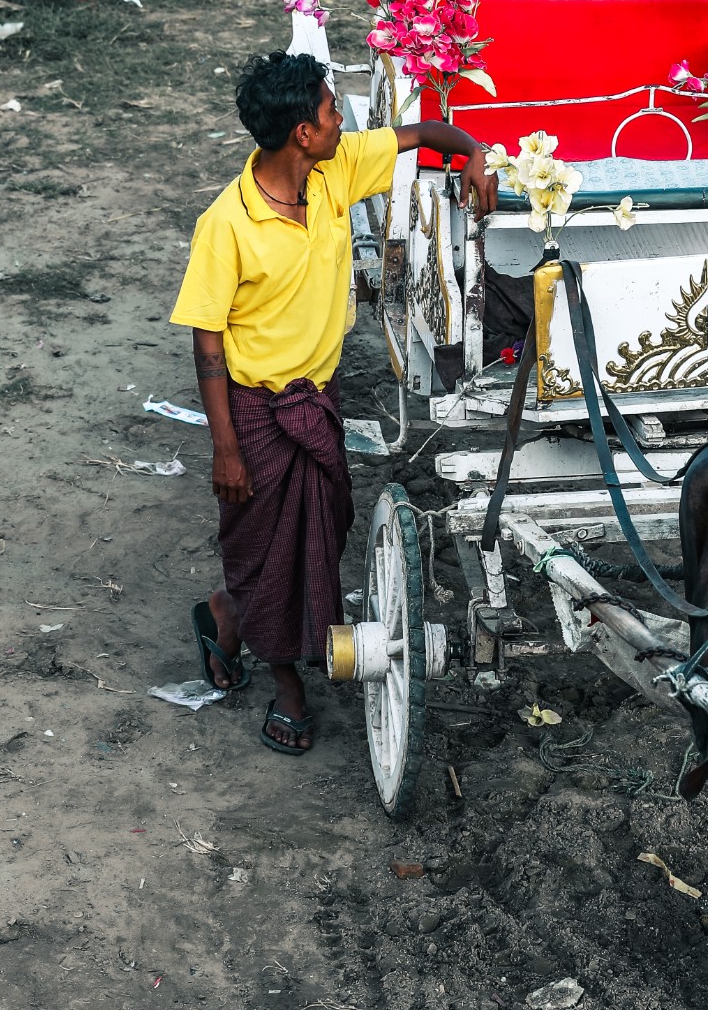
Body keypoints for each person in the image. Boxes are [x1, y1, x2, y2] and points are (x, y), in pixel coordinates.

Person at [170, 49, 498, 754]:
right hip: (255, 412)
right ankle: (286, 684)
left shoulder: (334, 171)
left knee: (317, 540)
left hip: (317, 402)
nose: (338, 118)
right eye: (328, 109)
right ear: (300, 134)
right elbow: (206, 350)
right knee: (263, 550)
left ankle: (227, 615)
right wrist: (224, 449)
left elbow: (430, 133)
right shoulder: (225, 225)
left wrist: (472, 155)